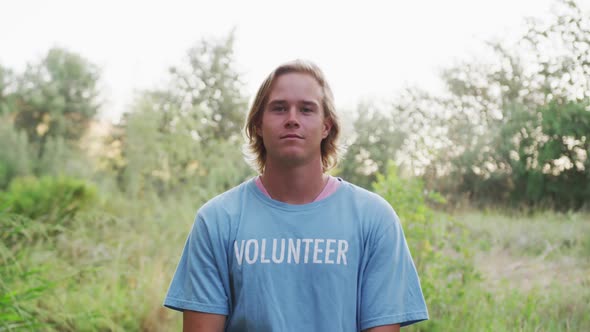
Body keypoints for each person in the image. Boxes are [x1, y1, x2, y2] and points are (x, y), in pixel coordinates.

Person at [164, 60, 428, 331]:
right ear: (257, 124)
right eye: (279, 108)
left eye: (306, 109)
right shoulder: (217, 220)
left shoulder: (374, 219)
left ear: (327, 126)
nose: (292, 118)